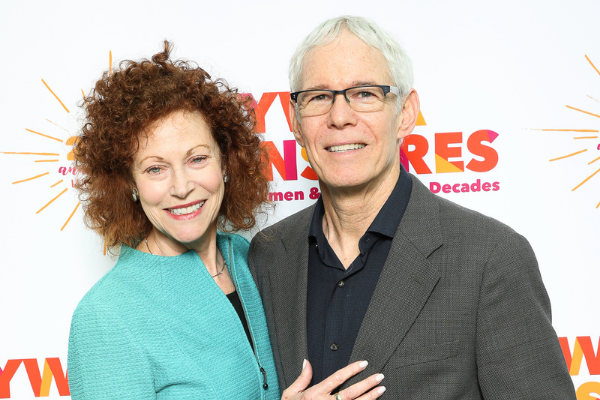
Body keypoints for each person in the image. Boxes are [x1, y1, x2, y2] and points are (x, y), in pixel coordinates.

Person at [249, 16, 577, 399]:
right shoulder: (268, 254)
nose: (339, 117)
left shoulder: (490, 257)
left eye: (365, 93)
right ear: (296, 122)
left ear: (405, 112)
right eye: (319, 97)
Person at [68, 42, 385, 400]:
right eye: (156, 169)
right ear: (129, 184)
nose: (182, 187)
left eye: (197, 159)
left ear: (225, 162)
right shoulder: (108, 316)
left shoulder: (251, 259)